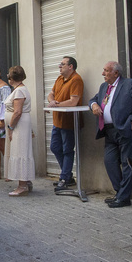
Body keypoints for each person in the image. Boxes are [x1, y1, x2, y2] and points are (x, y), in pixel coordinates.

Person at [89, 61, 132, 208]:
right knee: (109, 161)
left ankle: (122, 198)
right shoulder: (104, 87)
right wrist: (94, 105)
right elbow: (93, 99)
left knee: (127, 163)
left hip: (125, 130)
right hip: (108, 131)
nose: (103, 74)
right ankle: (120, 193)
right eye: (103, 70)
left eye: (106, 71)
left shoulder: (128, 84)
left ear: (116, 73)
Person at [47, 56, 84, 190]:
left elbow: (73, 101)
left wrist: (57, 105)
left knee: (68, 150)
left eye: (62, 64)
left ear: (71, 67)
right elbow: (51, 94)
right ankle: (68, 176)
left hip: (69, 122)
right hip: (58, 121)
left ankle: (64, 177)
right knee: (55, 147)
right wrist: (52, 101)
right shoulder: (59, 79)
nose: (59, 66)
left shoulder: (76, 80)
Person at [4, 66, 35, 196]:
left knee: (20, 151)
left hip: (19, 125)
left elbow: (17, 112)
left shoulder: (19, 92)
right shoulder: (20, 90)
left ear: (11, 79)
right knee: (20, 150)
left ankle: (22, 186)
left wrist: (11, 127)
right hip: (21, 124)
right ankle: (25, 181)